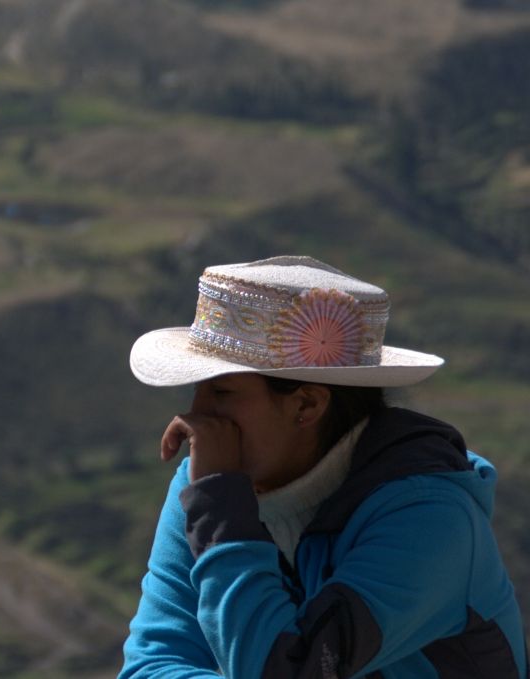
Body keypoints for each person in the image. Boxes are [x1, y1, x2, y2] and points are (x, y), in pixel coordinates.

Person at [118, 255, 526, 678]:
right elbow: (152, 664)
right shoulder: (205, 488)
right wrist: (218, 502)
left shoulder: (431, 517)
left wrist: (222, 513)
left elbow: (289, 671)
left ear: (307, 404)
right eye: (197, 389)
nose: (197, 415)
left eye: (221, 391)